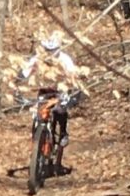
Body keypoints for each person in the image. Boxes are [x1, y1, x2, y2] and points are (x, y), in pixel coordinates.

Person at [17, 27, 83, 168]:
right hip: (44, 92)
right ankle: (37, 141)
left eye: (53, 51)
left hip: (60, 91)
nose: (50, 54)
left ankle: (63, 133)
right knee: (37, 115)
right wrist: (16, 86)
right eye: (48, 50)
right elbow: (23, 73)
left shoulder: (65, 60)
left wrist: (74, 95)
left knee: (60, 110)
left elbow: (75, 78)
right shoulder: (37, 59)